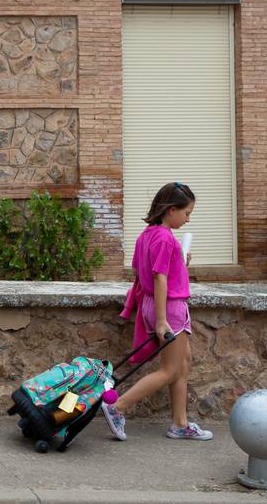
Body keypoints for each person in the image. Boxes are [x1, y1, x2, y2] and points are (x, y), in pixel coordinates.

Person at [101, 181, 214, 441]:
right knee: (170, 370)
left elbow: (142, 271)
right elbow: (159, 278)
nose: (187, 220)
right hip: (170, 309)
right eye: (186, 213)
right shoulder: (164, 238)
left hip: (156, 305)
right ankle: (117, 407)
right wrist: (162, 321)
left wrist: (179, 261)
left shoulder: (148, 234)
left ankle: (180, 423)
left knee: (183, 364)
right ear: (171, 210)